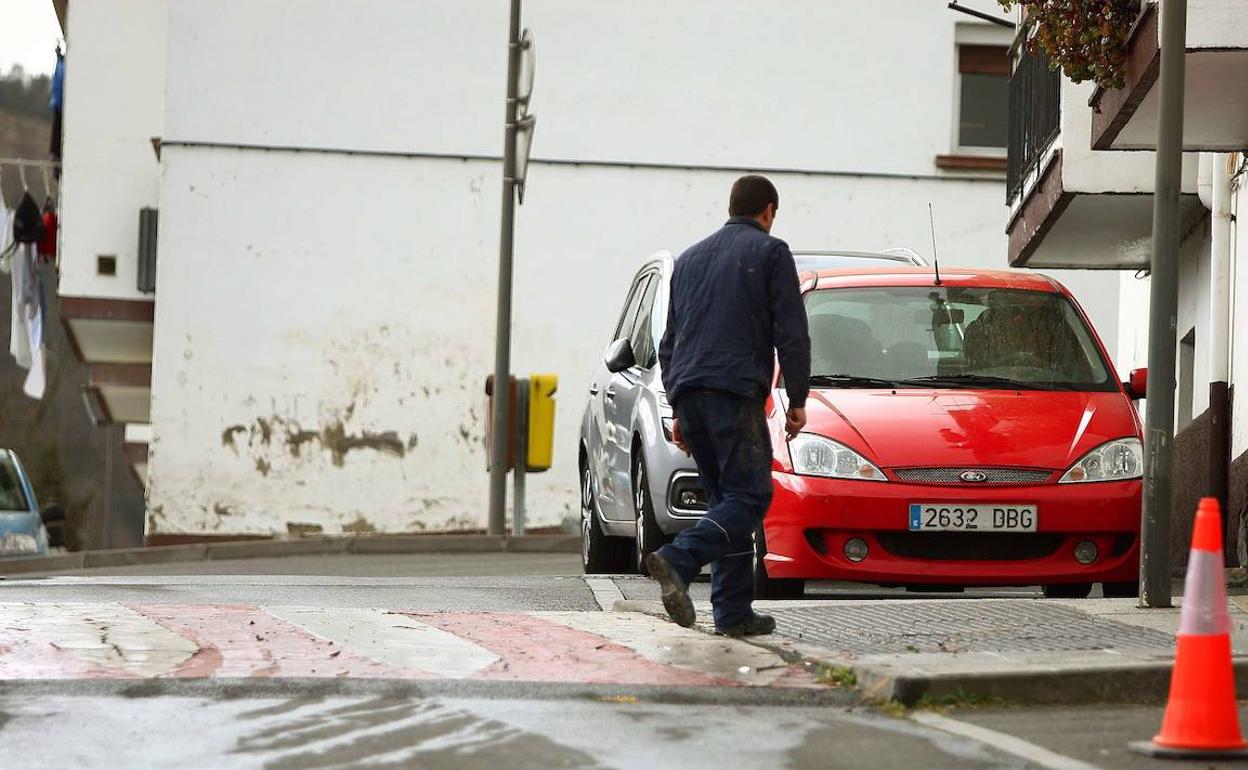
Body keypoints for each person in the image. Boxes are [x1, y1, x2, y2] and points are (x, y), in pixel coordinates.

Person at [647, 175, 811, 637]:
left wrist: (679, 406)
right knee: (750, 496)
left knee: (726, 502)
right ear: (769, 211)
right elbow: (792, 331)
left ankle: (733, 613)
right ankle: (679, 559)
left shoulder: (690, 260)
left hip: (692, 394)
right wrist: (797, 397)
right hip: (733, 393)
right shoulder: (771, 251)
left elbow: (671, 343)